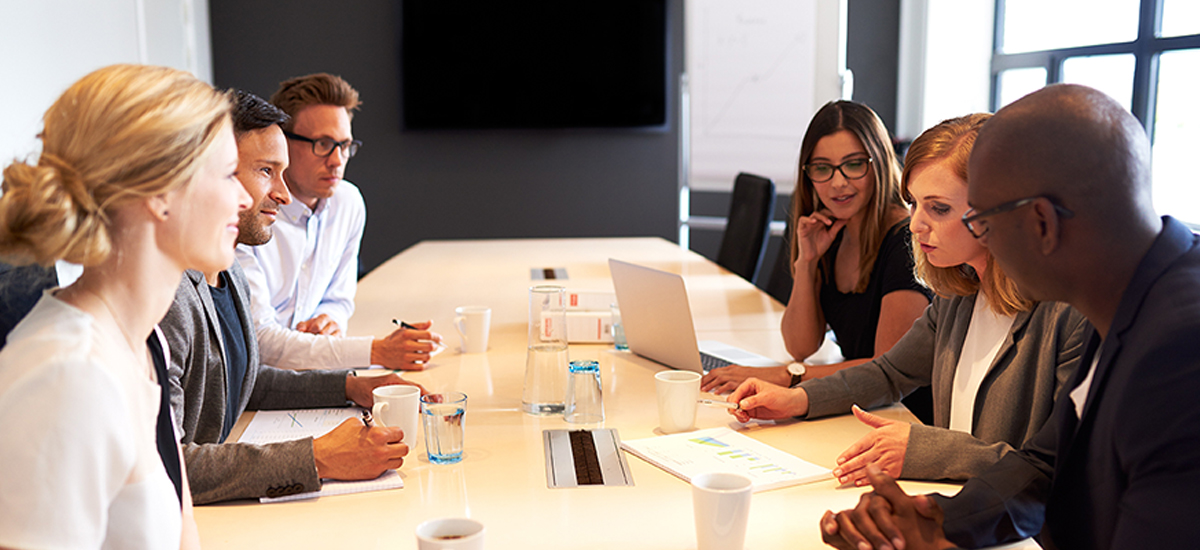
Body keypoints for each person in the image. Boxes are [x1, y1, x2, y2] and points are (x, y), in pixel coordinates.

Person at [818, 84, 1200, 550]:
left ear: (1041, 222)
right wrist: (933, 521)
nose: (984, 244)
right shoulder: (1126, 292)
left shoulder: (1180, 349)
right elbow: (1042, 466)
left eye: (985, 222)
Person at [726, 114, 1089, 486]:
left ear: (997, 209)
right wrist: (799, 400)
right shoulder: (959, 294)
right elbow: (889, 372)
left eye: (939, 208)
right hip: (952, 504)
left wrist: (923, 450)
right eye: (914, 203)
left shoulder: (1069, 316)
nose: (915, 225)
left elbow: (1053, 469)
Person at [0, 64, 248, 548]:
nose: (244, 198)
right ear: (159, 193)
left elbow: (182, 532)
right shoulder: (69, 375)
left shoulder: (143, 340)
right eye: (228, 174)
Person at [162, 90, 423, 504]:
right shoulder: (167, 300)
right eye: (266, 171)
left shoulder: (228, 272)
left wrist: (351, 387)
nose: (283, 196)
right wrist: (316, 458)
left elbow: (246, 383)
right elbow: (168, 466)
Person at [703, 100, 933, 420]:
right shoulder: (833, 231)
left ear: (879, 163)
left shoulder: (905, 242)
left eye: (854, 165)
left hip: (902, 414)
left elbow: (887, 367)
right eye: (822, 168)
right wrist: (807, 262)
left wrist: (787, 376)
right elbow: (800, 346)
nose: (838, 182)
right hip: (853, 404)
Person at [236, 72, 441, 372]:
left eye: (344, 146)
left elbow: (339, 299)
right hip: (264, 381)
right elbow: (261, 342)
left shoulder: (348, 203)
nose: (337, 160)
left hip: (313, 370)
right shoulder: (247, 215)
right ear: (284, 141)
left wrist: (330, 321)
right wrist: (378, 351)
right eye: (322, 144)